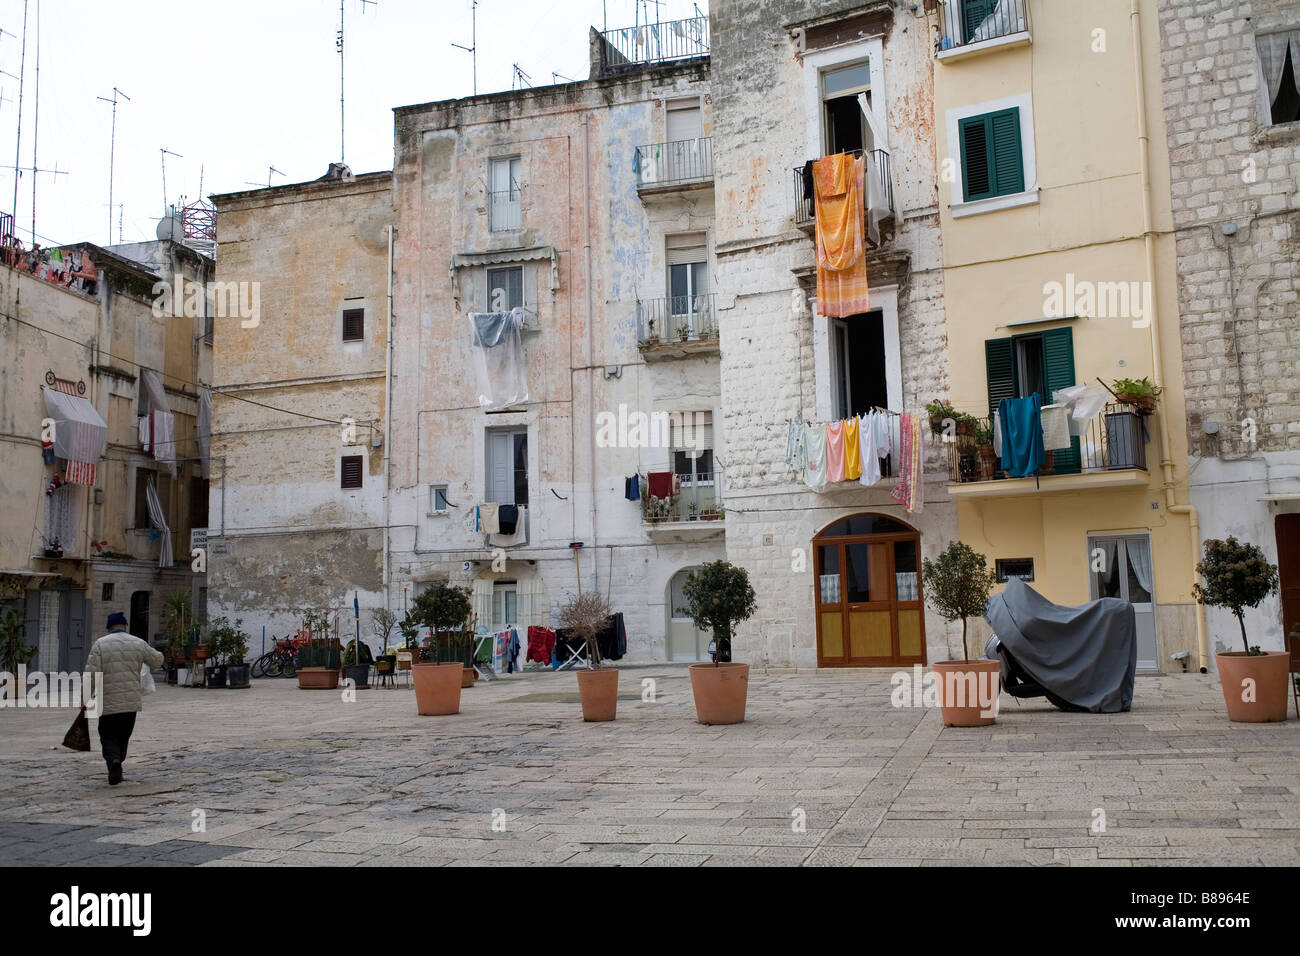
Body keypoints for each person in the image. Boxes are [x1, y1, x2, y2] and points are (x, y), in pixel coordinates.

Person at [84, 612, 164, 785]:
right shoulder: (138, 643)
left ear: (109, 628)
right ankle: (118, 762)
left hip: (108, 701)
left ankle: (113, 761)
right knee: (123, 735)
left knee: (107, 735)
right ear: (125, 626)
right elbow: (157, 660)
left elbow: (91, 674)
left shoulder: (100, 644)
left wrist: (85, 697)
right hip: (130, 701)